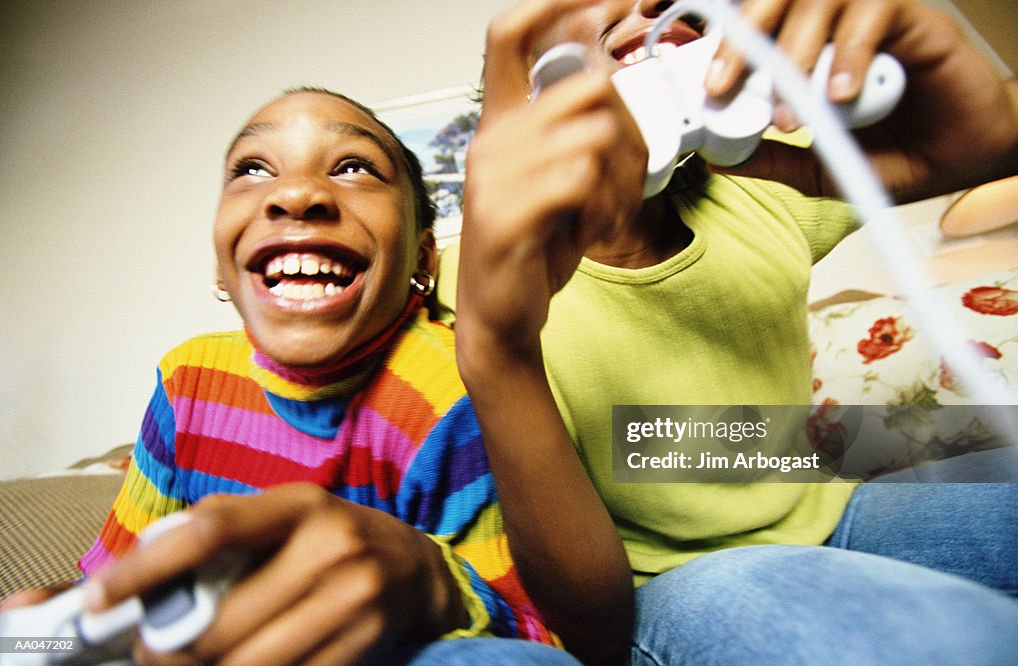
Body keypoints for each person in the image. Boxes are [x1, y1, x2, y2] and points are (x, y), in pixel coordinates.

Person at [449, 0, 1018, 663]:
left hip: (837, 512)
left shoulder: (757, 186)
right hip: (673, 586)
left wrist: (1003, 129)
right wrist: (499, 352)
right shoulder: (480, 281)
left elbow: (696, 443)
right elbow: (590, 627)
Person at [1, 87, 632, 665]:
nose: (295, 195)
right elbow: (113, 590)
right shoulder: (186, 382)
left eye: (354, 166)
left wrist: (431, 589)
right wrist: (44, 630)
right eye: (252, 169)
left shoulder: (449, 396)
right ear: (223, 268)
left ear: (422, 255)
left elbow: (542, 638)